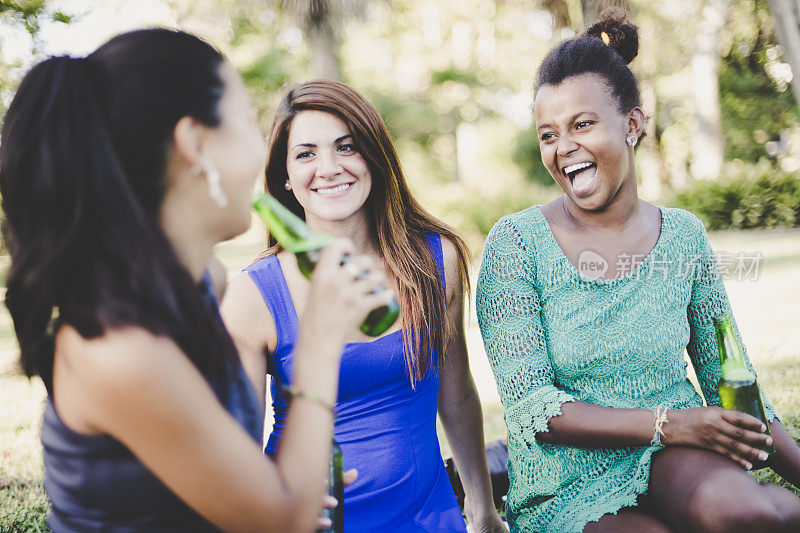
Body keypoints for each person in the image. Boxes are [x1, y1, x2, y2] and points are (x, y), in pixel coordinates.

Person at [0, 28, 391, 532]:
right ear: (196, 144)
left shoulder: (202, 281)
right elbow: (282, 519)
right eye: (248, 122)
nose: (260, 152)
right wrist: (319, 339)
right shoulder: (119, 347)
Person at [476, 10, 800, 533]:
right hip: (567, 477)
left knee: (751, 514)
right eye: (548, 134)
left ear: (632, 124)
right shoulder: (516, 244)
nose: (563, 148)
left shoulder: (684, 237)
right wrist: (668, 424)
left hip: (674, 451)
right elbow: (534, 408)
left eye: (582, 124)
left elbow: (730, 380)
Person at [221, 80, 506, 533]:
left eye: (346, 146)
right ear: (285, 179)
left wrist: (483, 509)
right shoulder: (252, 297)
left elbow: (457, 394)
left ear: (375, 155)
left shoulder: (435, 261)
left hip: (429, 517)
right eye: (306, 154)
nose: (329, 167)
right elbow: (236, 451)